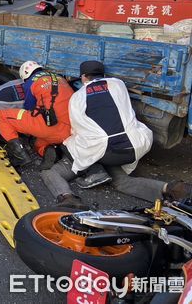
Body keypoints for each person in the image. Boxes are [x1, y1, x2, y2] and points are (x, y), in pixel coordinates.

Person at [40, 61, 192, 208]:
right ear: (103, 74)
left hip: (107, 151)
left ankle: (68, 196)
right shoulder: (118, 84)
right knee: (121, 181)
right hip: (135, 145)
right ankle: (170, 188)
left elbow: (77, 129)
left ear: (84, 77)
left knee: (67, 146)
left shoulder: (78, 97)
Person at [0, 61, 74, 167]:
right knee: (38, 144)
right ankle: (50, 150)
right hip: (70, 129)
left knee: (0, 115)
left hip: (48, 126)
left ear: (25, 75)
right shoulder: (60, 78)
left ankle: (21, 156)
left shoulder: (31, 82)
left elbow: (29, 109)